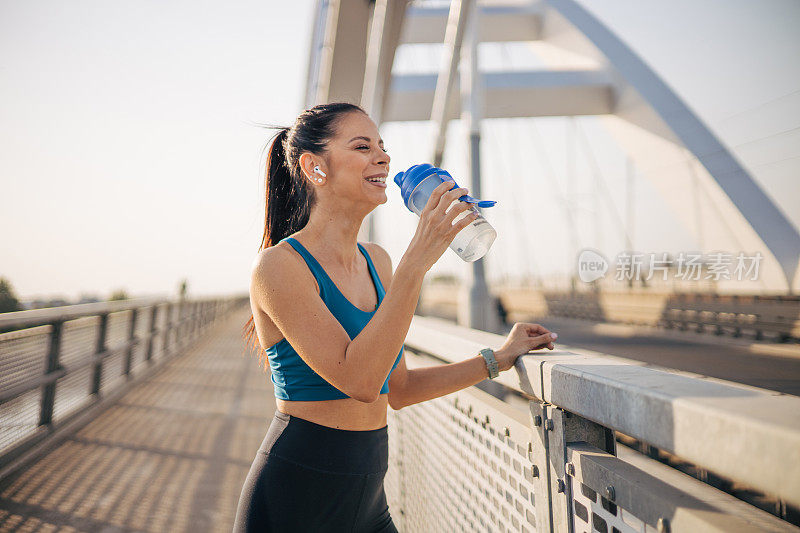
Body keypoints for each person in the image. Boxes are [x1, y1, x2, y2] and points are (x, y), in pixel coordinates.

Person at [234, 102, 558, 532]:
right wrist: (416, 265)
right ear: (314, 167)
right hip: (297, 502)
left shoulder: (377, 263)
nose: (383, 157)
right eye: (363, 146)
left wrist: (499, 357)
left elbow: (398, 388)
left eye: (382, 146)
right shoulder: (278, 267)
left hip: (369, 503)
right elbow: (361, 382)